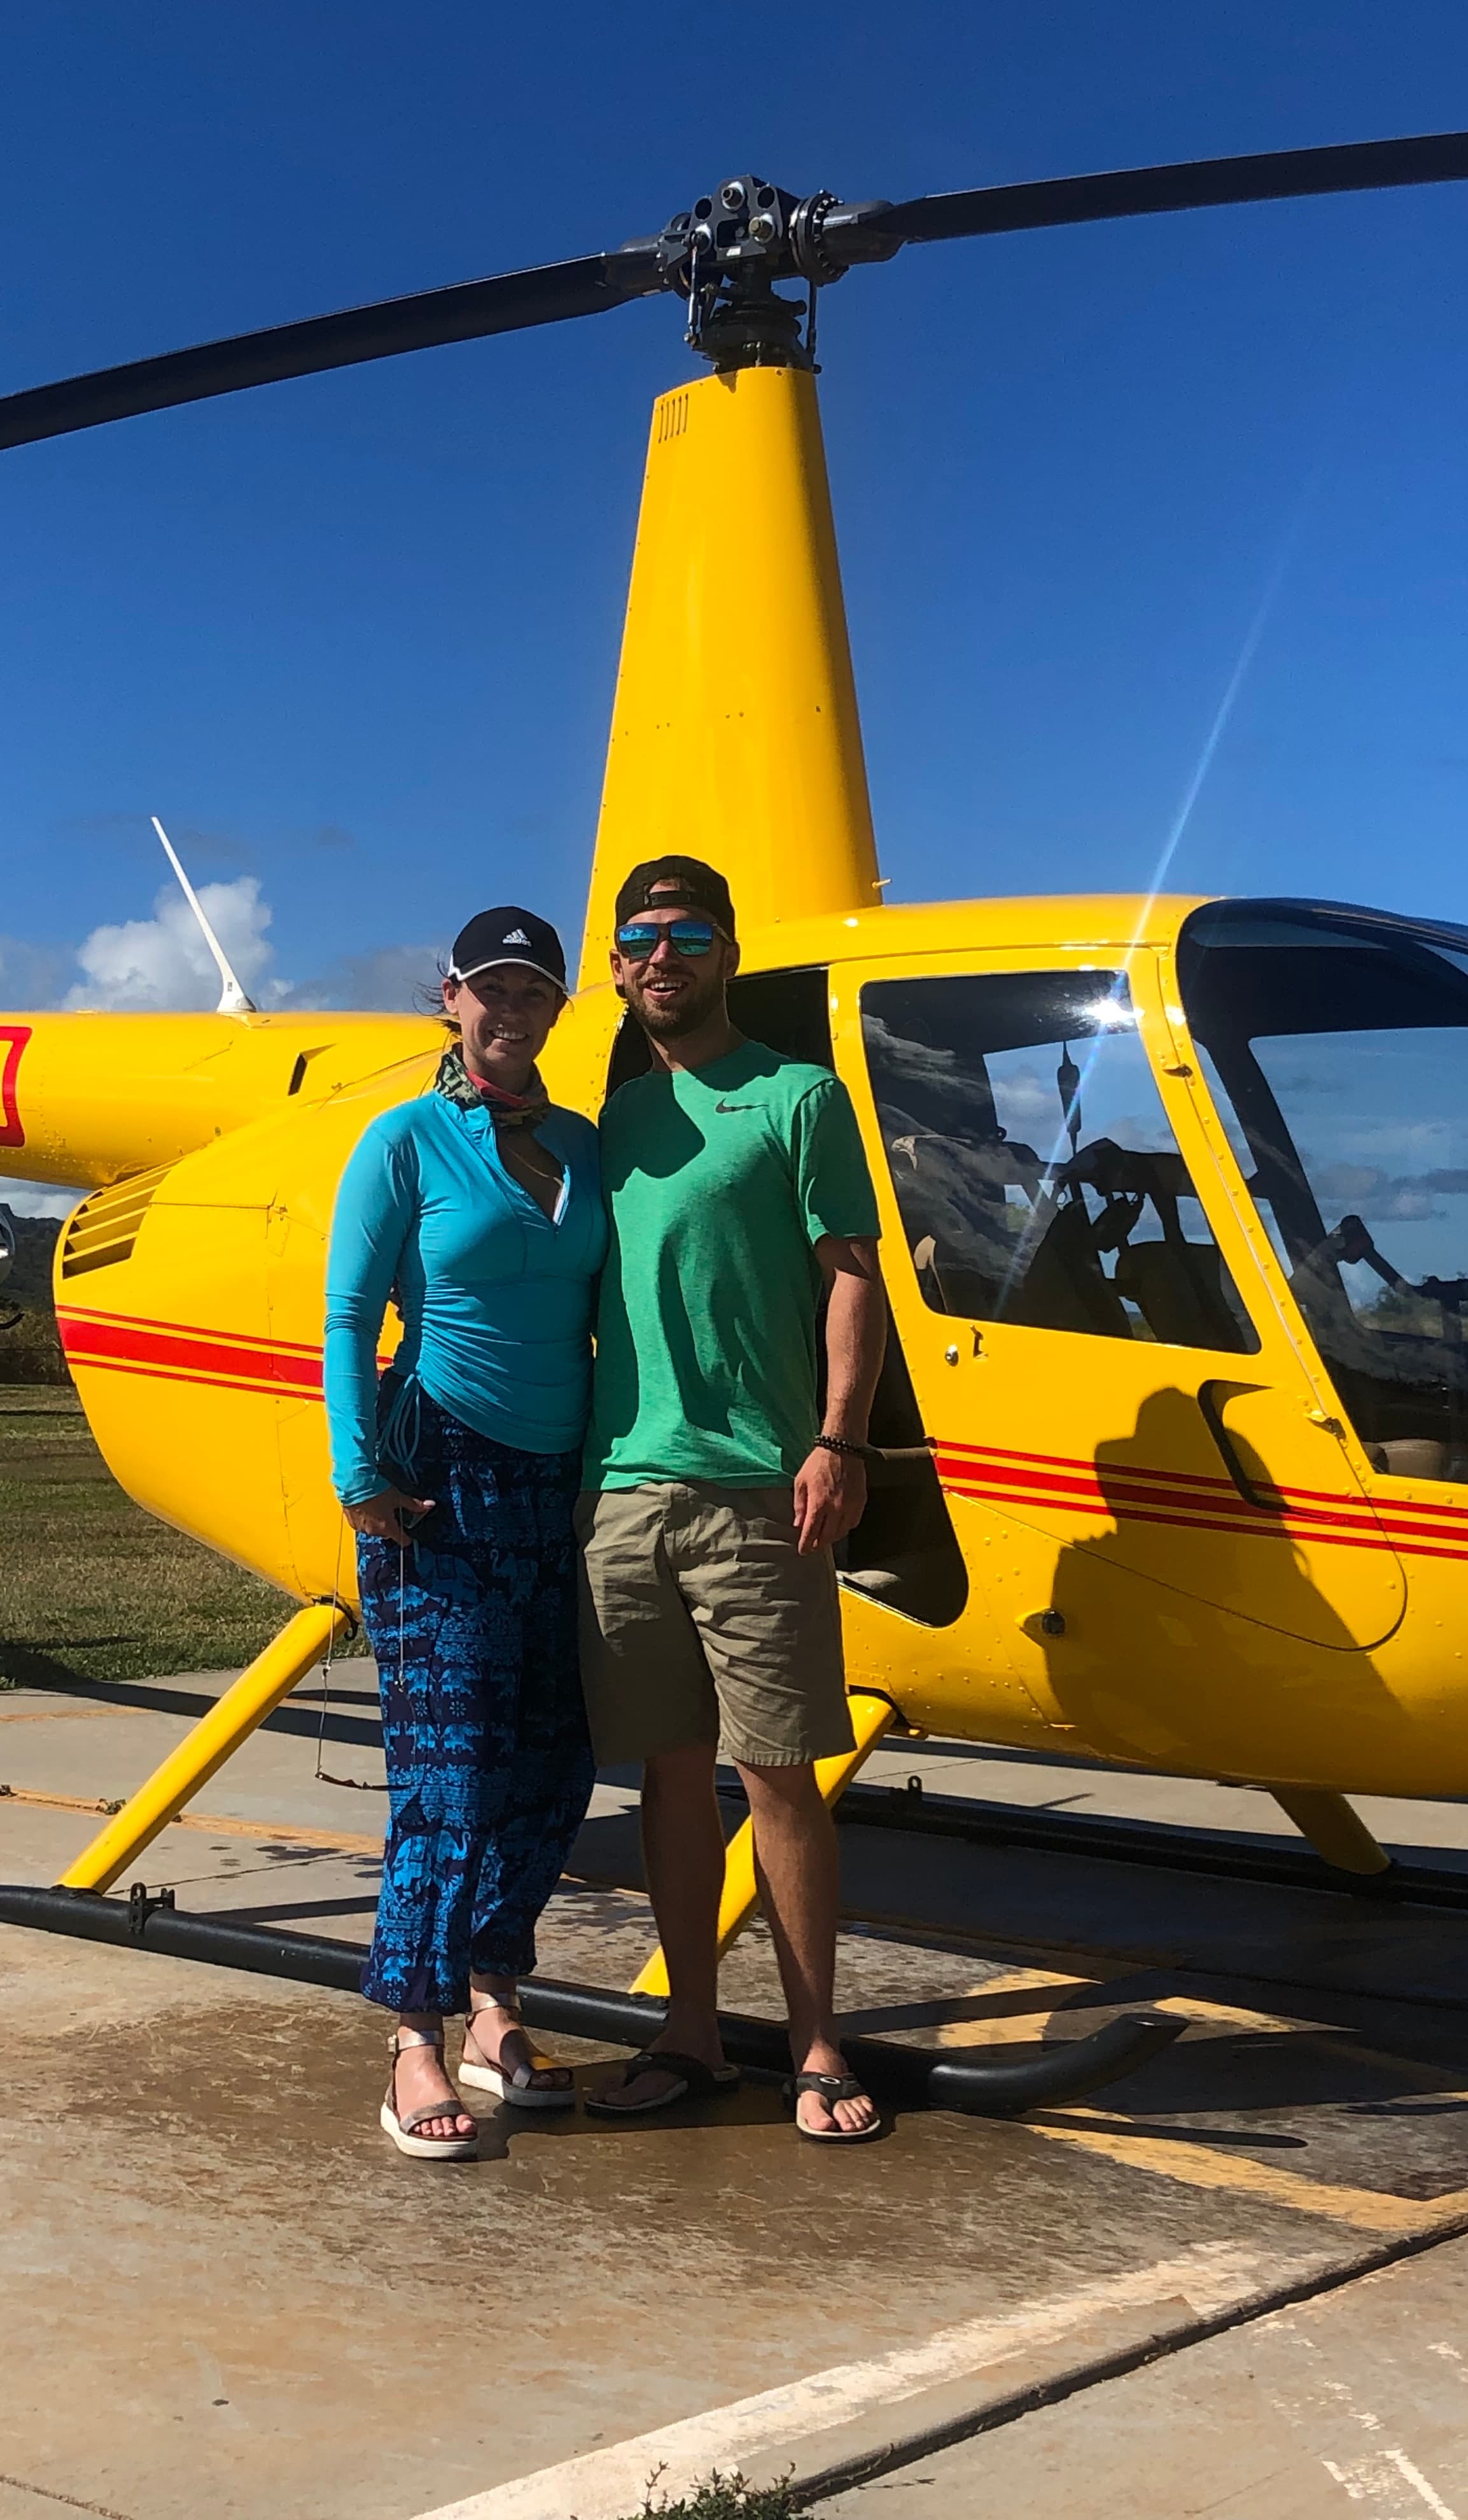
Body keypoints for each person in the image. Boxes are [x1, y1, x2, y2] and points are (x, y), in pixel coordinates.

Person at [577, 856, 888, 2143]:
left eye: (688, 934)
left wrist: (838, 1440)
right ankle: (692, 2032)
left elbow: (852, 1278)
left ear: (727, 953)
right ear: (616, 966)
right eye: (642, 937)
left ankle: (817, 2043)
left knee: (779, 1779)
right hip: (618, 1494)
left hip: (756, 1488)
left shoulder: (797, 1097)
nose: (664, 956)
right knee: (666, 1780)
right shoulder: (603, 1132)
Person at [324, 906, 608, 2160]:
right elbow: (346, 1316)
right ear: (452, 997)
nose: (510, 1009)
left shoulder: (586, 1149)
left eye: (533, 992)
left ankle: (497, 1999)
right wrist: (358, 1473)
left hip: (558, 1483)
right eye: (490, 988)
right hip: (439, 1471)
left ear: (555, 1009)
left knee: (552, 1763)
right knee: (449, 1776)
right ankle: (413, 2036)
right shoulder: (405, 1143)